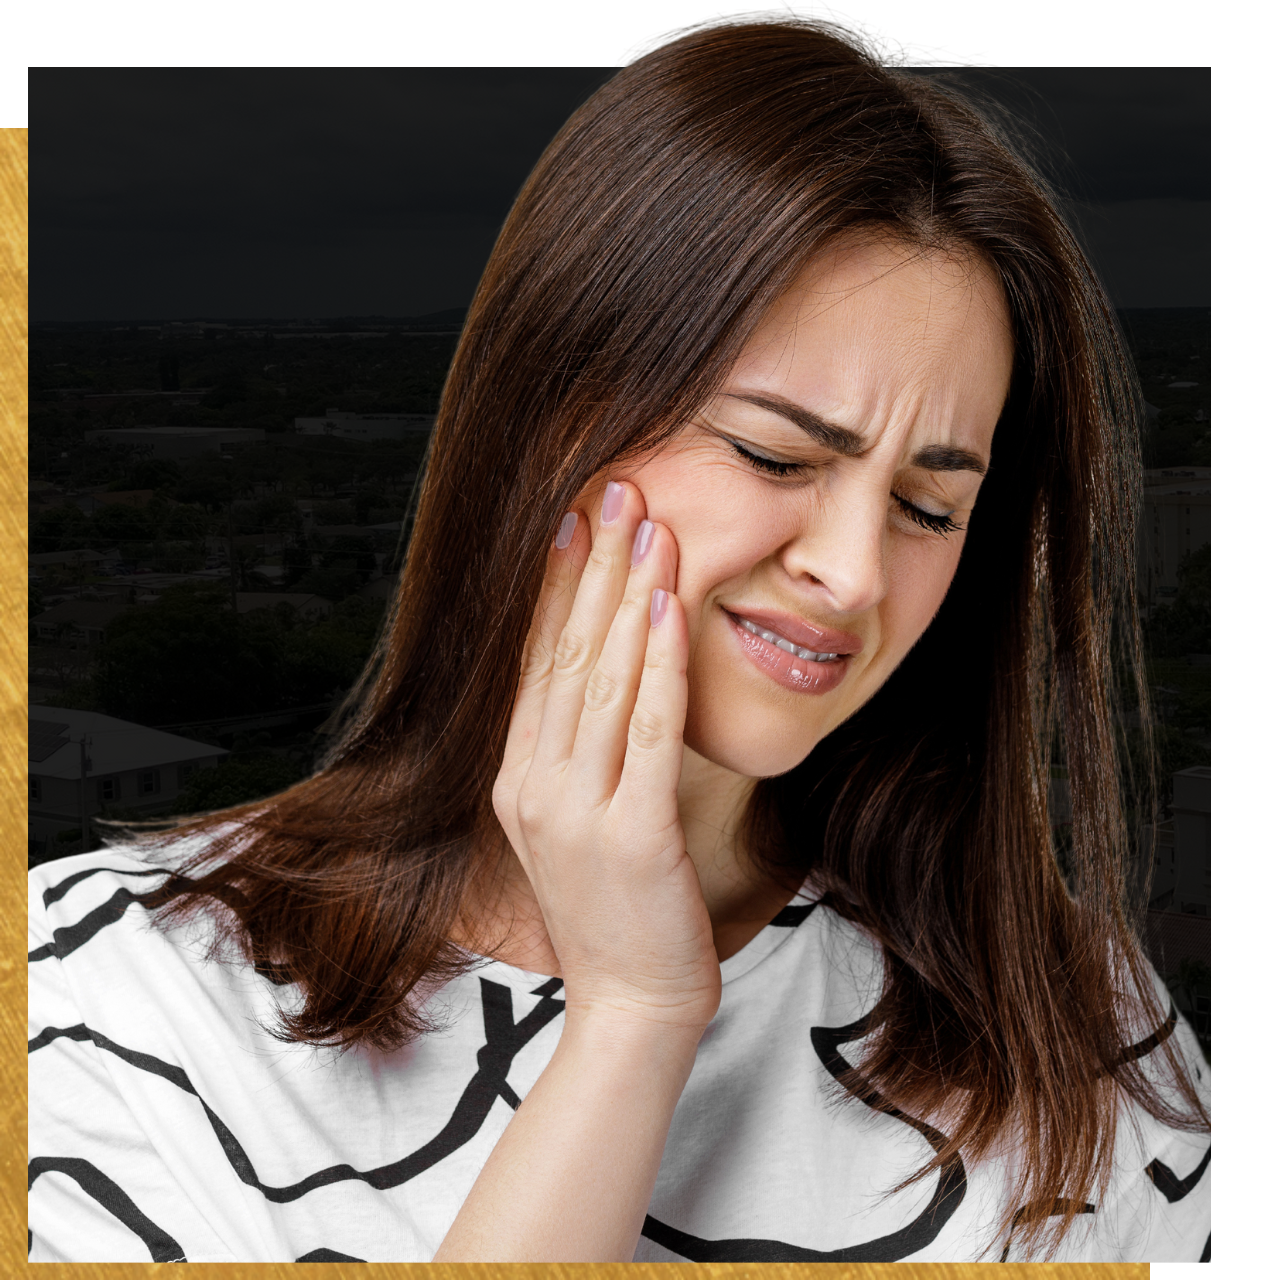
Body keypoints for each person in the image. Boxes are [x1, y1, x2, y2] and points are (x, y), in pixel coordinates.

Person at [28, 8, 1211, 1264]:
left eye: (928, 506)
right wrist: (634, 1018)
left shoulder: (1068, 1024)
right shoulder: (100, 995)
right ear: (548, 425)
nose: (853, 571)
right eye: (773, 452)